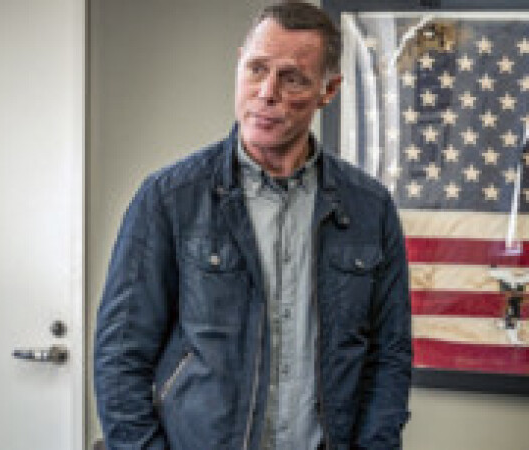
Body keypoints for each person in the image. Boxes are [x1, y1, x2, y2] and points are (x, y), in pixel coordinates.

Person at [93, 2, 412, 449]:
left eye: (292, 78)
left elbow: (389, 357)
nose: (267, 92)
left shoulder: (370, 209)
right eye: (256, 69)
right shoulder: (169, 198)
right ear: (239, 64)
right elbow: (119, 357)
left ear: (329, 90)